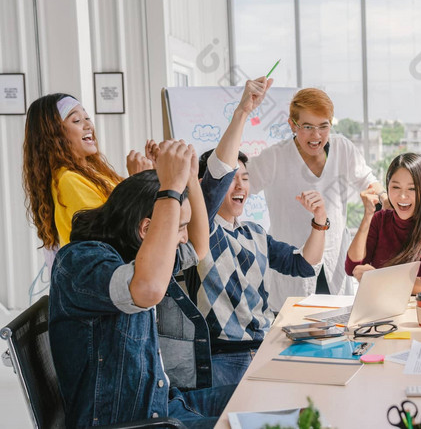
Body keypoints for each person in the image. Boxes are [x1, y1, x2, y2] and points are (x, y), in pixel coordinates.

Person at [49, 140, 235, 428]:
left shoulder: (140, 253)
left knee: (262, 398)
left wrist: (187, 178)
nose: (183, 237)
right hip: (139, 423)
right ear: (147, 229)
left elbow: (199, 246)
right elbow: (147, 290)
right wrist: (170, 187)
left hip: (165, 406)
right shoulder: (82, 263)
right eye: (180, 228)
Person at [188, 77, 326, 387]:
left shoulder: (254, 233)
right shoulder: (203, 229)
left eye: (246, 179)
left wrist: (319, 222)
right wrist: (242, 111)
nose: (239, 186)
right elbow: (217, 175)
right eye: (232, 180)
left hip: (266, 346)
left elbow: (302, 265)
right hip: (224, 357)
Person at [246, 88, 386, 311]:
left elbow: (368, 179)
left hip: (333, 262)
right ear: (292, 125)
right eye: (308, 127)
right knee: (293, 330)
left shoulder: (342, 149)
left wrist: (384, 197)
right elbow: (240, 185)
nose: (316, 136)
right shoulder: (274, 158)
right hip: (292, 266)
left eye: (323, 126)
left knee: (339, 328)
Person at [22, 94, 152, 264]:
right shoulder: (68, 180)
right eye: (76, 120)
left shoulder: (94, 174)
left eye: (87, 118)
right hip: (106, 277)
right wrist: (140, 182)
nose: (88, 125)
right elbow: (112, 235)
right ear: (53, 135)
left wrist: (154, 177)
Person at [345, 153, 421, 295]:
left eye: (412, 189)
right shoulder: (379, 220)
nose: (402, 196)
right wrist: (367, 216)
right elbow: (353, 268)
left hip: (417, 311)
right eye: (395, 187)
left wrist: (382, 279)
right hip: (379, 308)